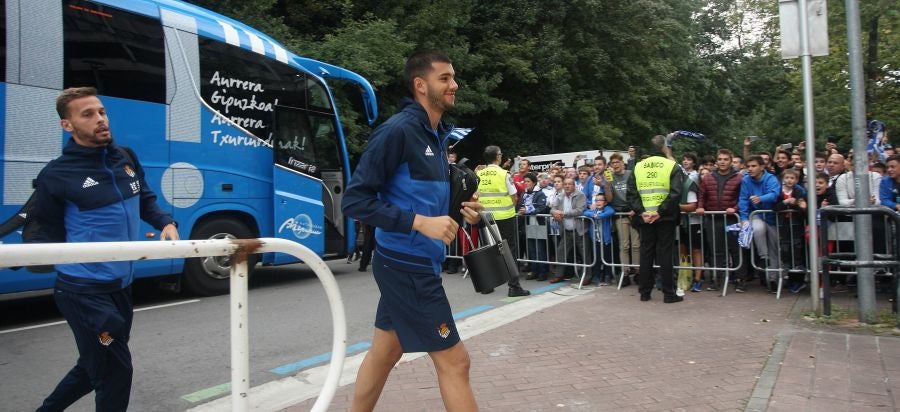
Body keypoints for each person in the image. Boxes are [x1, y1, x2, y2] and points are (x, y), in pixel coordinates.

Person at [341, 51, 482, 411]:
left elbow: (422, 201)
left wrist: (460, 210)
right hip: (407, 265)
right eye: (445, 78)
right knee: (456, 362)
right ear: (421, 85)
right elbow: (355, 201)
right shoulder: (398, 131)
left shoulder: (436, 136)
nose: (454, 85)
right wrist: (420, 223)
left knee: (384, 353)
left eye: (453, 77)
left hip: (416, 262)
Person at [30, 87, 179, 411]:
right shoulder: (56, 175)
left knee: (94, 365)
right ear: (66, 126)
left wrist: (165, 222)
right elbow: (44, 230)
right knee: (115, 371)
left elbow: (144, 197)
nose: (99, 119)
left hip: (121, 286)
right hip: (83, 291)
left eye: (101, 112)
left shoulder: (125, 157)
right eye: (87, 114)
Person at [626, 135, 685, 303]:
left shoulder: (638, 167)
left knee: (646, 253)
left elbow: (631, 194)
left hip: (645, 217)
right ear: (665, 147)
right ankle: (668, 293)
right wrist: (660, 211)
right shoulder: (672, 166)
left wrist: (642, 211)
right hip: (665, 217)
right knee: (665, 254)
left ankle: (644, 293)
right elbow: (676, 194)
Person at [476, 145, 531, 297]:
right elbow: (514, 197)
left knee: (488, 249)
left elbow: (476, 195)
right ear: (498, 156)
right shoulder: (504, 174)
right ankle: (514, 286)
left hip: (486, 217)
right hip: (505, 217)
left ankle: (487, 285)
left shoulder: (479, 174)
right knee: (509, 251)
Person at [696, 149, 747, 292]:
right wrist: (700, 207)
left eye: (725, 159)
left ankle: (740, 280)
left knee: (736, 250)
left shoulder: (739, 178)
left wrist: (735, 208)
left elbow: (743, 197)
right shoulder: (708, 177)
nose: (722, 162)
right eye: (720, 159)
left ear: (731, 161)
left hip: (732, 218)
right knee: (716, 250)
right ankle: (716, 279)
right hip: (713, 218)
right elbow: (702, 195)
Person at [738, 155, 781, 292]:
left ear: (762, 167)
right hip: (756, 215)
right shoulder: (746, 180)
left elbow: (774, 194)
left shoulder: (771, 178)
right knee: (757, 228)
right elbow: (743, 200)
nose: (750, 169)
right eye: (748, 166)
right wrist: (744, 218)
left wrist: (760, 199)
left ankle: (773, 280)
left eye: (753, 166)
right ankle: (763, 258)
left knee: (774, 249)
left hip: (772, 217)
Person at [772, 169, 808, 293]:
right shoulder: (778, 191)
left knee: (797, 252)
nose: (789, 180)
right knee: (786, 252)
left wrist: (798, 205)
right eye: (787, 177)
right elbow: (774, 207)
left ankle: (798, 280)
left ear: (796, 180)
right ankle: (789, 279)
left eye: (792, 178)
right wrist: (785, 202)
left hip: (797, 226)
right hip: (784, 226)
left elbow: (804, 208)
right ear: (782, 179)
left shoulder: (800, 191)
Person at [548, 177, 588, 283]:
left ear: (574, 185)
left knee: (585, 254)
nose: (566, 186)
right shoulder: (560, 196)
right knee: (561, 252)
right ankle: (559, 275)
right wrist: (554, 213)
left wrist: (563, 213)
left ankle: (587, 277)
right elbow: (552, 208)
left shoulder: (580, 195)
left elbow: (579, 210)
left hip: (579, 230)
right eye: (565, 184)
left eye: (569, 184)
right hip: (566, 230)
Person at [607, 153, 638, 286]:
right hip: (620, 213)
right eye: (613, 163)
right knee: (624, 245)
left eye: (617, 162)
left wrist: (636, 209)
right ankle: (625, 273)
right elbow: (609, 199)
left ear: (622, 162)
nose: (615, 165)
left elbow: (638, 191)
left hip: (633, 212)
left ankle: (638, 271)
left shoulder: (631, 173)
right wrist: (607, 184)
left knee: (636, 245)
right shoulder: (610, 177)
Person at [517, 173, 551, 281]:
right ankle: (534, 270)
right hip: (527, 223)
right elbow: (519, 206)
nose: (526, 184)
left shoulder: (540, 194)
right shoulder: (524, 194)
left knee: (540, 248)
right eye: (525, 181)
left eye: (528, 181)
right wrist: (521, 211)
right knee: (531, 249)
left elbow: (542, 207)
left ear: (534, 182)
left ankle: (543, 271)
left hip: (537, 223)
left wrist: (527, 210)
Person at [582, 193, 615, 286]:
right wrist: (593, 214)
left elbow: (611, 212)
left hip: (605, 240)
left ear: (605, 202)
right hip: (595, 240)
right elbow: (585, 212)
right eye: (596, 200)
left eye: (600, 200)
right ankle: (597, 276)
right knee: (597, 258)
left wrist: (599, 216)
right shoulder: (594, 210)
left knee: (607, 258)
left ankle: (608, 275)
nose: (598, 202)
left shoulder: (607, 209)